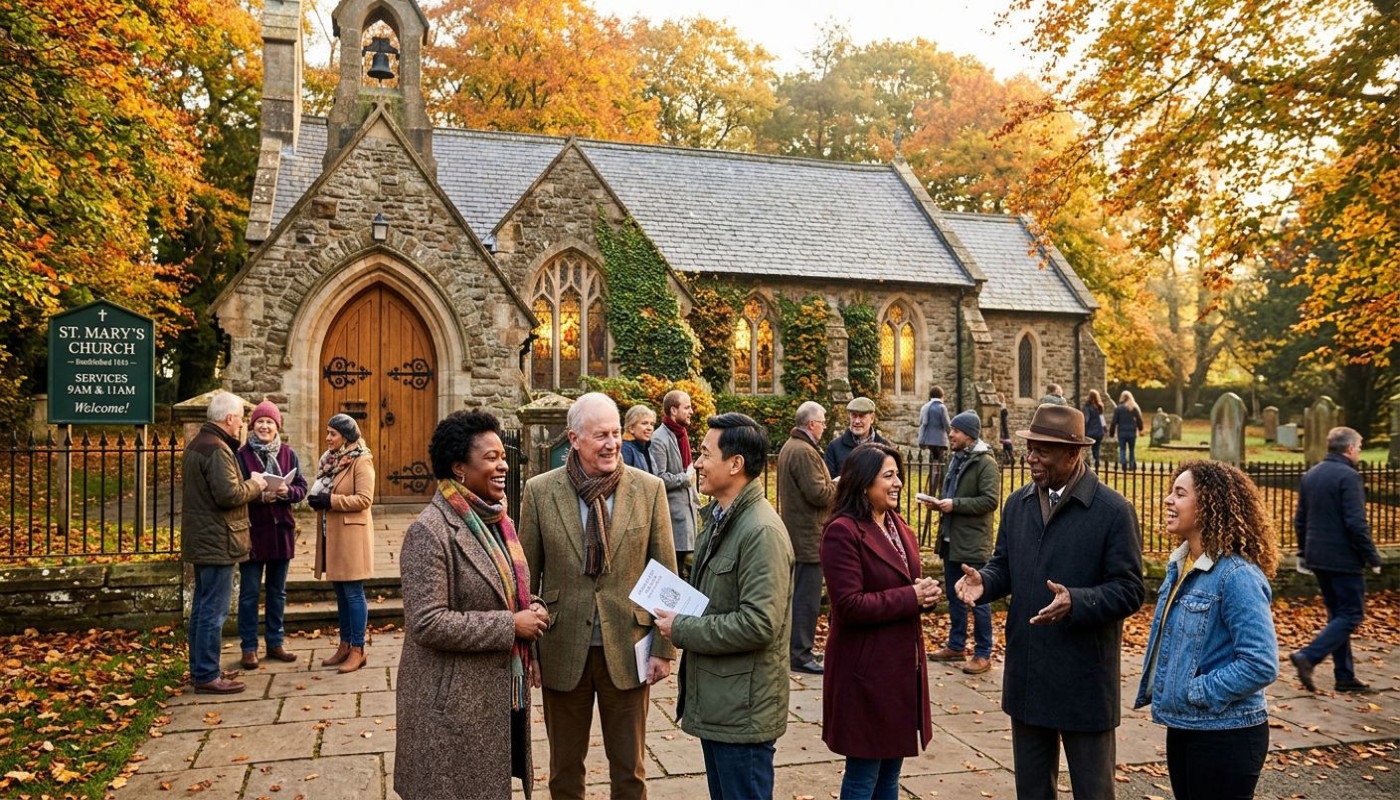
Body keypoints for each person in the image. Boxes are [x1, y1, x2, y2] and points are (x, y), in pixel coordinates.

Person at [955, 404, 1145, 800]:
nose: (1031, 458)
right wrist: (984, 582)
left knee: (1093, 792)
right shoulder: (1017, 504)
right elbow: (1004, 566)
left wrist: (1076, 601)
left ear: (1074, 453)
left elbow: (1129, 589)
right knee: (1032, 791)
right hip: (1029, 674)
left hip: (1084, 679)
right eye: (1030, 448)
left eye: (1043, 451)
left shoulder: (1113, 511)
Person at [518, 392, 678, 800]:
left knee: (630, 772)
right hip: (561, 649)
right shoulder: (540, 492)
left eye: (615, 434)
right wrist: (528, 651)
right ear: (573, 439)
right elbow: (524, 581)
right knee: (564, 773)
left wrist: (663, 648)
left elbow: (665, 574)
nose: (611, 444)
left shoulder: (649, 489)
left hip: (628, 647)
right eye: (600, 435)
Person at [395, 410, 549, 799]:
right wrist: (511, 625)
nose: (503, 466)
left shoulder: (498, 522)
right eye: (491, 458)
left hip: (490, 699)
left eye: (504, 457)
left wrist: (533, 606)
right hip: (449, 705)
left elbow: (506, 589)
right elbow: (427, 622)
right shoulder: (430, 531)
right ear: (459, 468)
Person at [653, 413, 794, 800]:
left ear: (735, 464)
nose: (697, 463)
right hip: (723, 702)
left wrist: (681, 628)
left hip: (742, 711)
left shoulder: (761, 531)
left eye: (704, 454)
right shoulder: (720, 520)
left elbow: (759, 623)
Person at [1135, 461, 1280, 800]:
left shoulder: (1236, 575)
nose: (1168, 500)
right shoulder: (1182, 566)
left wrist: (1195, 691)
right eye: (1171, 492)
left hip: (1227, 734)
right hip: (1185, 726)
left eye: (1180, 493)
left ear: (1209, 505)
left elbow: (1260, 663)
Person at [821, 443, 938, 799]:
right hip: (865, 673)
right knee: (863, 776)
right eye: (888, 476)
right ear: (863, 483)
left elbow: (904, 585)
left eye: (897, 475)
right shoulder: (842, 532)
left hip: (900, 670)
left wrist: (925, 596)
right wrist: (912, 597)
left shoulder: (897, 525)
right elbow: (848, 605)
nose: (898, 483)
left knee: (889, 775)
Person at [182, 391, 266, 694]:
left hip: (203, 538)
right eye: (240, 419)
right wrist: (256, 484)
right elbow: (228, 494)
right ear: (229, 418)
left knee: (202, 608)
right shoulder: (217, 449)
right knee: (213, 611)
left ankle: (200, 670)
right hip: (217, 540)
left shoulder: (198, 444)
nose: (241, 424)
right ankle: (207, 674)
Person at [1289, 426, 1383, 693]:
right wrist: (1372, 556)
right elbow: (1356, 523)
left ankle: (1345, 676)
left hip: (1317, 556)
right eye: (1360, 447)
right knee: (1351, 614)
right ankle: (1309, 657)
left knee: (1337, 616)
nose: (1360, 452)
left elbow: (1300, 520)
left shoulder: (1312, 474)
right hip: (1343, 558)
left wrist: (1304, 553)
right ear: (1350, 448)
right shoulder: (1349, 477)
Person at [922, 411, 999, 675]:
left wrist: (955, 505)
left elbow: (990, 500)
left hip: (972, 543)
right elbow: (951, 495)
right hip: (950, 541)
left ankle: (983, 653)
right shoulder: (955, 458)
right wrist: (939, 504)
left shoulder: (986, 463)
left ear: (969, 434)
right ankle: (956, 645)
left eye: (955, 430)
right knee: (955, 596)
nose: (950, 434)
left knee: (978, 600)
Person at [234, 400, 308, 670]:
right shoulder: (241, 456)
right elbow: (237, 491)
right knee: (250, 593)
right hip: (254, 533)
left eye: (270, 422)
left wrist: (288, 492)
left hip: (281, 532)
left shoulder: (288, 454)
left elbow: (301, 487)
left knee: (278, 592)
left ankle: (275, 643)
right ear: (252, 425)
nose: (264, 426)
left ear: (278, 426)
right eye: (260, 422)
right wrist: (260, 496)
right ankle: (249, 648)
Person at [306, 413, 375, 674]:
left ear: (345, 437)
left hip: (351, 536)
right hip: (331, 534)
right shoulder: (330, 460)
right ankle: (345, 645)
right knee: (340, 593)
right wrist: (318, 500)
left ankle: (358, 649)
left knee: (353, 593)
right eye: (327, 432)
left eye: (332, 433)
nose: (327, 438)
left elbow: (364, 499)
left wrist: (330, 501)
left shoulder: (361, 460)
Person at [776, 400, 836, 674]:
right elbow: (818, 494)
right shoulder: (803, 451)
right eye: (822, 422)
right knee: (806, 600)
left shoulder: (792, 447)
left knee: (798, 596)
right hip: (808, 538)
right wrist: (838, 484)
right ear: (811, 424)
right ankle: (800, 655)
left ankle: (796, 650)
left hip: (798, 534)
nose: (824, 426)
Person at [651, 389, 699, 575]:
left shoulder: (681, 434)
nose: (691, 411)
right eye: (687, 407)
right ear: (673, 410)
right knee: (676, 573)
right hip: (673, 519)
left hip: (688, 514)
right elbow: (658, 478)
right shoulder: (659, 439)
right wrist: (685, 478)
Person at [824, 396, 890, 477]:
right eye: (854, 416)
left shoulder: (884, 447)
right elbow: (829, 479)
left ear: (872, 418)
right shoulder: (834, 447)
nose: (857, 421)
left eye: (861, 416)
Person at [917, 386, 952, 464]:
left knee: (932, 461)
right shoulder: (942, 407)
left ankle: (933, 471)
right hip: (940, 440)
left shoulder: (925, 407)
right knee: (941, 462)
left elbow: (921, 423)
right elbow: (946, 424)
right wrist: (951, 435)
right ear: (941, 395)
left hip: (929, 440)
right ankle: (938, 472)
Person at [1109, 390, 1144, 469]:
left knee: (1122, 449)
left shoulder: (1118, 409)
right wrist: (1140, 429)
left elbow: (1114, 422)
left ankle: (1123, 462)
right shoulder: (1134, 408)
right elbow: (1139, 420)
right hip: (1132, 432)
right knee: (1131, 450)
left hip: (1122, 432)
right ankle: (1132, 465)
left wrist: (1112, 432)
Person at [621, 404, 657, 473]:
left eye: (652, 424)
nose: (649, 428)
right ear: (631, 428)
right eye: (644, 423)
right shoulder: (625, 450)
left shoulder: (646, 448)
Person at [1082, 390, 1106, 468]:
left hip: (1090, 431)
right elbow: (1102, 419)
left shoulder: (1087, 406)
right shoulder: (1099, 406)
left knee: (1090, 448)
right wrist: (1104, 428)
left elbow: (1086, 419)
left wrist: (1083, 428)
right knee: (1097, 448)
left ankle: (1090, 463)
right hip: (1099, 431)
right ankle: (1097, 462)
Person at [997, 393, 1014, 465]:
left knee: (1006, 443)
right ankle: (1008, 458)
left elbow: (1003, 419)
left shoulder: (1002, 407)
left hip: (1003, 427)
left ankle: (1010, 457)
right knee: (1005, 444)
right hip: (1003, 427)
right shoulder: (1003, 406)